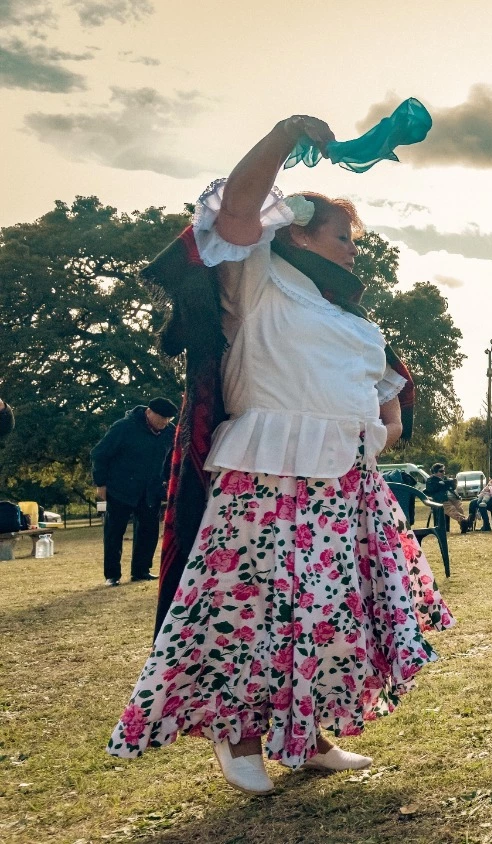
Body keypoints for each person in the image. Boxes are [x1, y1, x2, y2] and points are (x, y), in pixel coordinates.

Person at [108, 113, 451, 794]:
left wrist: (378, 435)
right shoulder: (258, 276)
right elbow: (237, 211)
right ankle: (237, 739)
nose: (356, 251)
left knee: (329, 616)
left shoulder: (353, 320)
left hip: (345, 483)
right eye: (344, 237)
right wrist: (286, 134)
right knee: (250, 610)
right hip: (266, 471)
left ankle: (309, 734)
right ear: (296, 229)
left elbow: (389, 400)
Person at [90, 397, 177, 586]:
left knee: (148, 531)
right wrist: (101, 483)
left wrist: (168, 481)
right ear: (148, 412)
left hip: (150, 490)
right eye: (161, 418)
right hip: (120, 487)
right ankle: (112, 575)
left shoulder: (170, 432)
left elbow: (171, 458)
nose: (164, 422)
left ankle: (141, 570)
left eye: (168, 419)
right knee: (114, 532)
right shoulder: (124, 427)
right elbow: (99, 454)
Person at [423, 463, 465, 533]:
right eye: (441, 471)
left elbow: (454, 483)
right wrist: (445, 484)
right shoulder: (430, 480)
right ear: (435, 472)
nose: (443, 473)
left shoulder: (444, 478)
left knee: (459, 507)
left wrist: (443, 484)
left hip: (453, 497)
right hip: (441, 499)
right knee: (451, 509)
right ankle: (464, 520)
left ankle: (464, 525)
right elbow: (433, 488)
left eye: (444, 471)